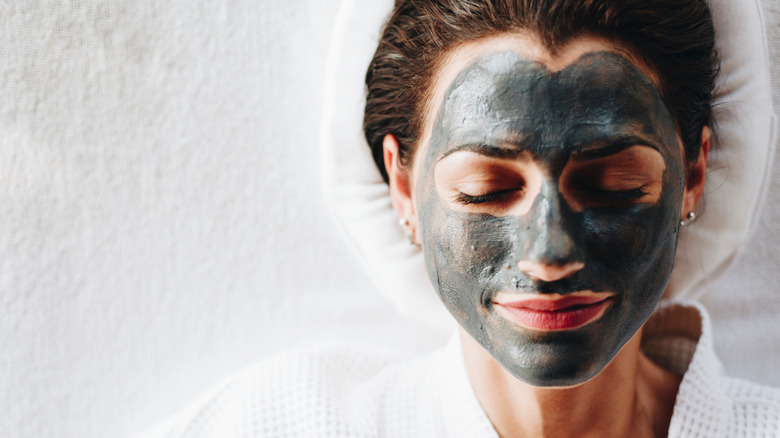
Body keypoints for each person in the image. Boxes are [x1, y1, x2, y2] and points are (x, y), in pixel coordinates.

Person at [148, 1, 780, 436]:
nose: (549, 253)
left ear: (693, 173)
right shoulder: (285, 422)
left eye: (614, 186)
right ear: (403, 188)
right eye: (485, 190)